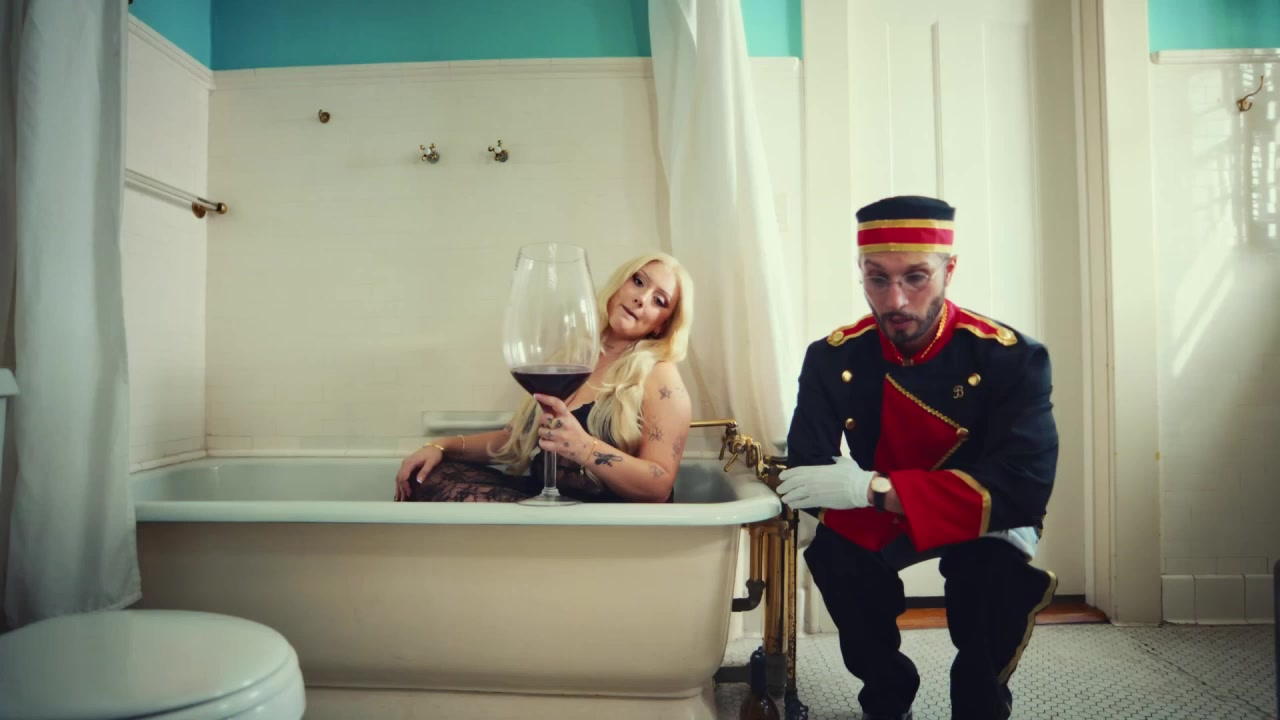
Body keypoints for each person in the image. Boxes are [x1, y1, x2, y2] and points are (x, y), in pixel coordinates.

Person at [777, 195, 1059, 720]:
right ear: (861, 274)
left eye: (916, 277)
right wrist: (862, 495)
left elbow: (1022, 488)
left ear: (949, 270)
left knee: (992, 582)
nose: (897, 300)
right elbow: (806, 470)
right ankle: (886, 696)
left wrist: (871, 488)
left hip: (980, 514)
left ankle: (980, 703)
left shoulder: (1011, 357)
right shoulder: (832, 357)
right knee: (836, 556)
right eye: (877, 279)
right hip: (886, 510)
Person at [394, 252, 695, 504]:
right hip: (550, 499)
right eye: (638, 282)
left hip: (603, 517)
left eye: (659, 301)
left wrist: (585, 447)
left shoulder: (660, 375)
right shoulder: (578, 354)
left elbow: (659, 487)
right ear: (620, 284)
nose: (642, 298)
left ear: (662, 324)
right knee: (426, 477)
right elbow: (514, 440)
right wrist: (441, 446)